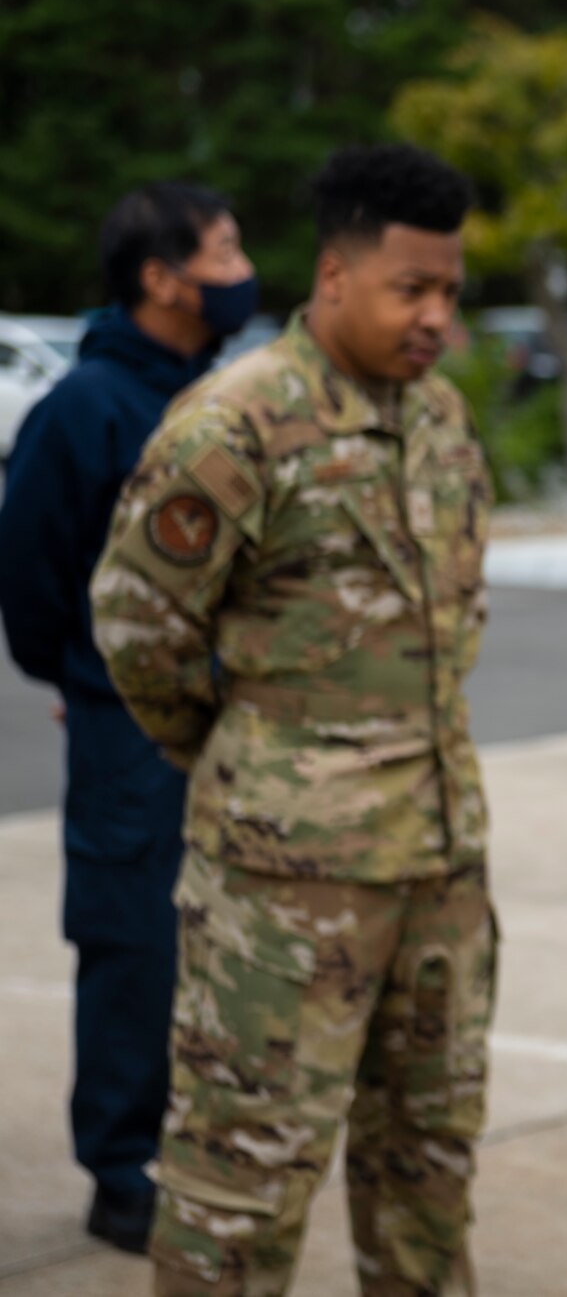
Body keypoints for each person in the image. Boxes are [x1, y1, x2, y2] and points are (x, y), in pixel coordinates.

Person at [90, 144, 494, 1295]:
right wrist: (259, 768)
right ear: (332, 276)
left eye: (449, 293)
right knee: (239, 1190)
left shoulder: (443, 421)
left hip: (438, 868)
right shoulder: (234, 424)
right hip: (282, 890)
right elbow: (137, 630)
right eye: (408, 289)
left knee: (428, 1173)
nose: (433, 316)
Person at [0, 182, 256, 1253]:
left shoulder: (212, 394)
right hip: (124, 731)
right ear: (161, 279)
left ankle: (205, 1143)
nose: (242, 270)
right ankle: (122, 1166)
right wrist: (89, 678)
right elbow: (32, 579)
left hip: (225, 724)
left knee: (224, 941)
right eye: (224, 250)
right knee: (132, 938)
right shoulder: (90, 407)